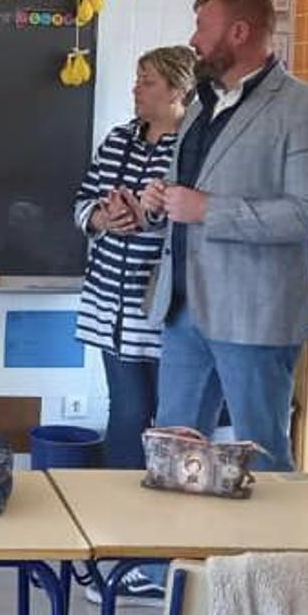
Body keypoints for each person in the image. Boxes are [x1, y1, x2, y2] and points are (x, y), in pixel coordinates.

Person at [145, 0, 308, 467]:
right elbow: (184, 193)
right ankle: (180, 525)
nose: (193, 40)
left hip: (254, 315)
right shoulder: (200, 107)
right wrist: (155, 204)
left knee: (262, 458)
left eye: (202, 26)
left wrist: (207, 209)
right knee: (172, 457)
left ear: (239, 32)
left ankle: (272, 525)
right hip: (183, 308)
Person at [73, 45, 196, 468]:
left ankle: (165, 498)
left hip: (164, 306)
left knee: (172, 417)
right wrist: (103, 218)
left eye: (148, 82)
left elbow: (199, 217)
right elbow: (83, 201)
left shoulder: (194, 147)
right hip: (110, 303)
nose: (136, 89)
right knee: (126, 412)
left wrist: (149, 215)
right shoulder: (117, 140)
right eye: (137, 80)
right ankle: (119, 501)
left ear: (177, 90)